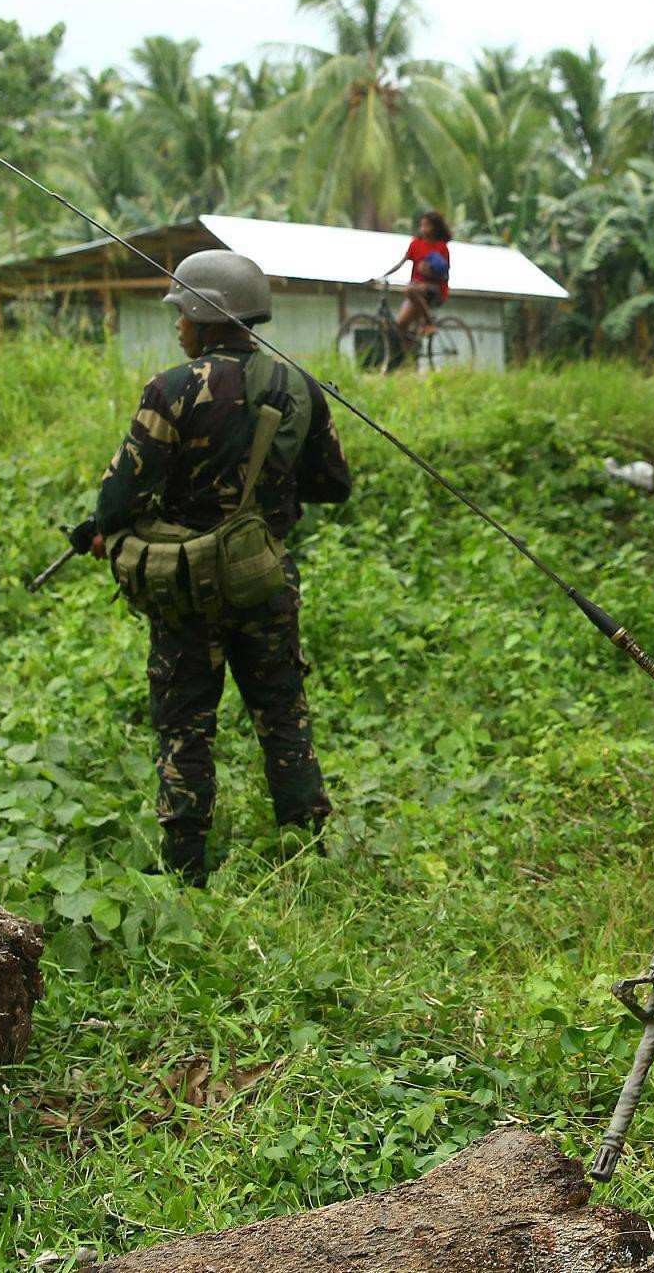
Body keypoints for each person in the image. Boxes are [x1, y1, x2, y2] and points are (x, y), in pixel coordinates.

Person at [71, 251, 352, 885]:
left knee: (185, 725)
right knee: (283, 713)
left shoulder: (171, 390)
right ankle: (308, 854)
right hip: (264, 580)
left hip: (187, 588)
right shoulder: (298, 387)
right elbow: (334, 484)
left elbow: (120, 500)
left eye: (180, 313)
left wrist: (109, 530)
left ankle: (185, 873)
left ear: (203, 316)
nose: (176, 326)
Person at [379, 210, 452, 346]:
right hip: (416, 290)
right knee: (401, 325)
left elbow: (445, 275)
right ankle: (408, 357)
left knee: (409, 290)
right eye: (422, 225)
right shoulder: (415, 244)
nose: (423, 229)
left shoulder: (441, 247)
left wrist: (429, 272)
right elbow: (402, 262)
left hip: (434, 290)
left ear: (435, 228)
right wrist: (384, 275)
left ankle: (429, 322)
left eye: (427, 225)